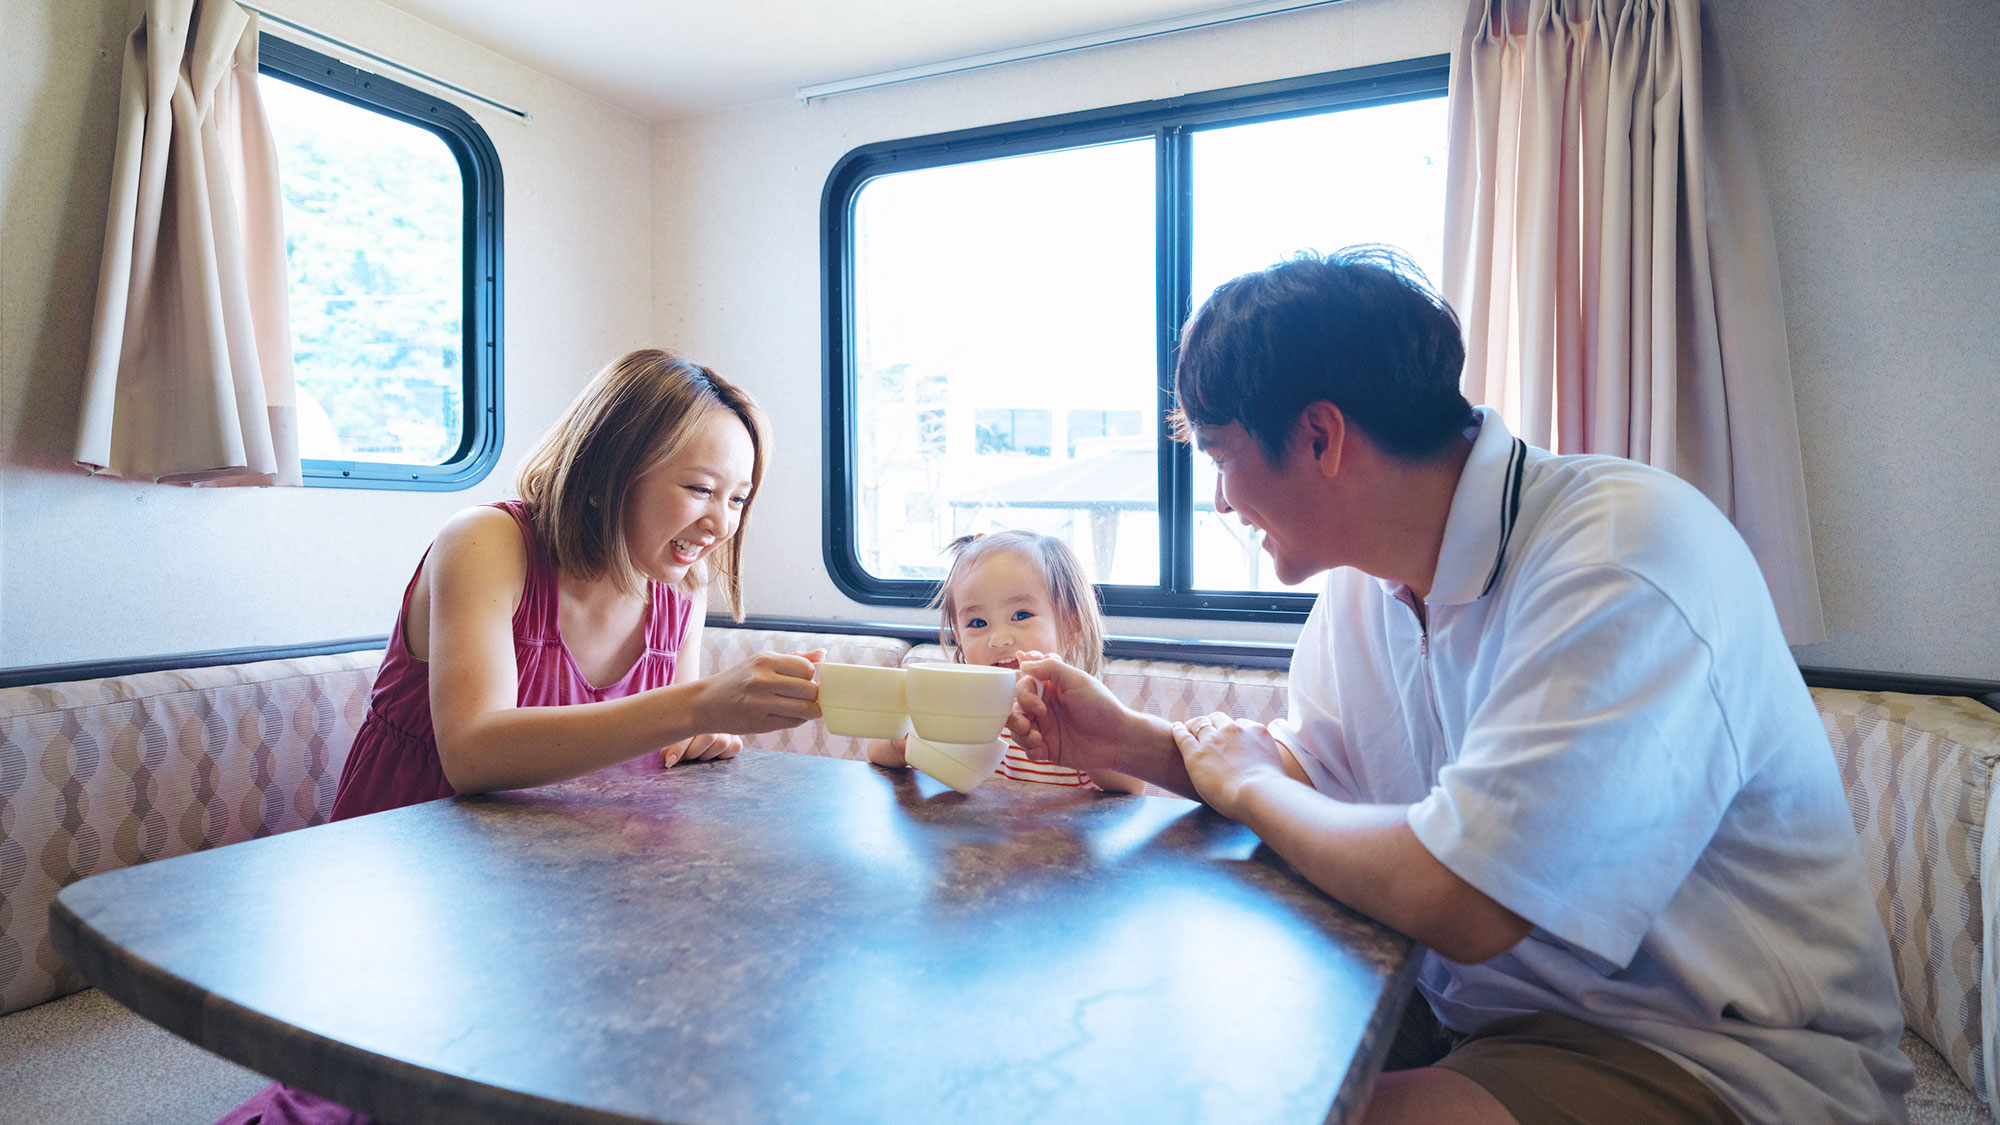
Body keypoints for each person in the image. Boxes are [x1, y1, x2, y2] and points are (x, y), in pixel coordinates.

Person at [1007, 248, 1912, 1125]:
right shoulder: (1364, 588)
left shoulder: (1622, 555)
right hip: (1475, 1010)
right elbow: (1316, 780)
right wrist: (1126, 742)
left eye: (1219, 456)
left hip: (1708, 1051)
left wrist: (1249, 786)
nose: (1218, 500)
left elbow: (1465, 898)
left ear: (1320, 436)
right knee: (1160, 1061)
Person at [220, 349, 822, 1125]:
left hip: (565, 891)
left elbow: (656, 741)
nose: (721, 523)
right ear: (607, 471)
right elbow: (474, 751)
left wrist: (700, 736)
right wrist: (696, 705)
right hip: (420, 886)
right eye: (700, 489)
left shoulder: (680, 587)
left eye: (738, 498)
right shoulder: (485, 542)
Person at [866, 530, 1143, 794]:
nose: (998, 640)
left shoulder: (1079, 706)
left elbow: (1133, 785)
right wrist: (902, 744)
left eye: (1021, 615)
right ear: (959, 637)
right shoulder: (957, 705)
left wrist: (1088, 740)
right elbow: (875, 753)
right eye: (978, 623)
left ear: (1072, 624)